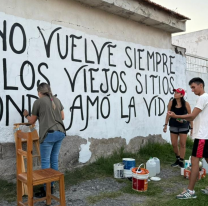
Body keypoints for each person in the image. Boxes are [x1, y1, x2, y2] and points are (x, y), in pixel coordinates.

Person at [168, 77, 208, 199]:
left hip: (202, 136)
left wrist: (175, 116)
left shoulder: (203, 98)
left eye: (193, 87)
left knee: (195, 162)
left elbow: (192, 116)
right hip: (205, 135)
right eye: (191, 87)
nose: (192, 90)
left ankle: (190, 191)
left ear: (201, 85)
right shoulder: (205, 97)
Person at [23, 82, 66, 197]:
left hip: (48, 134)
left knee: (46, 161)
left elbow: (32, 121)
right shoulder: (56, 100)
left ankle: (47, 189)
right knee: (54, 160)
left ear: (39, 92)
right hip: (60, 132)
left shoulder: (38, 102)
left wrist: (26, 115)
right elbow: (62, 117)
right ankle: (52, 185)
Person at [163, 88, 193, 168]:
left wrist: (192, 128)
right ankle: (177, 158)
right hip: (173, 125)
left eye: (177, 93)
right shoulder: (171, 103)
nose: (175, 94)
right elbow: (168, 114)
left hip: (183, 125)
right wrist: (165, 125)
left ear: (182, 95)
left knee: (182, 144)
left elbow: (190, 116)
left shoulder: (186, 104)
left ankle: (181, 160)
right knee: (174, 144)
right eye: (175, 92)